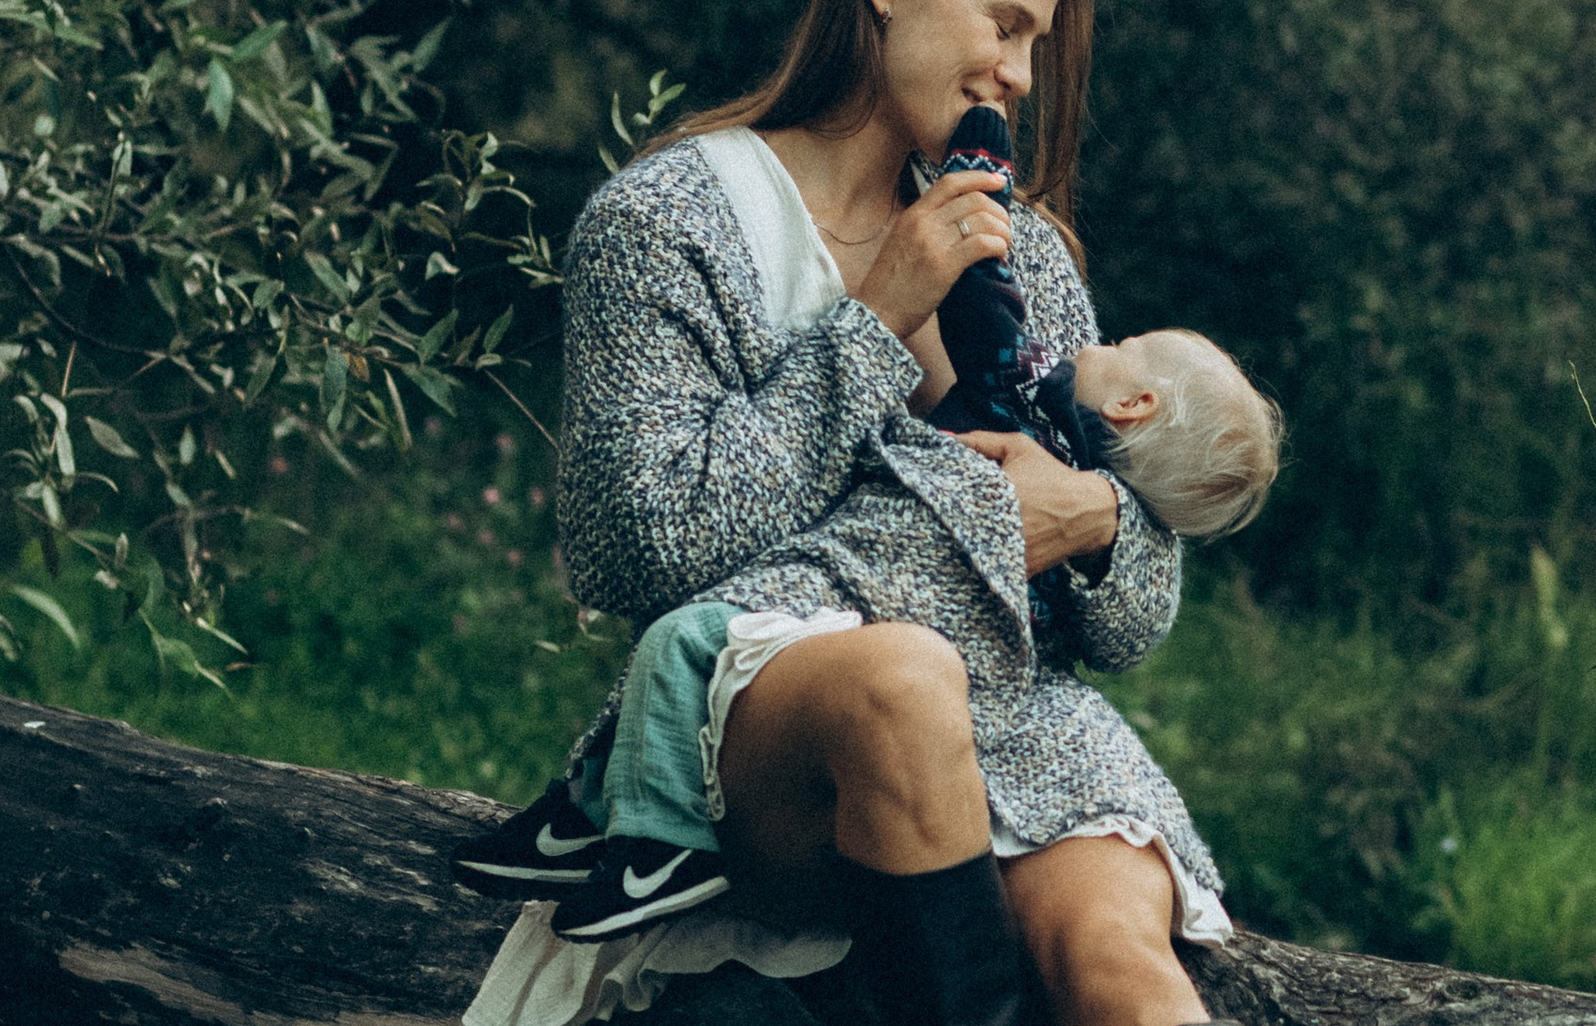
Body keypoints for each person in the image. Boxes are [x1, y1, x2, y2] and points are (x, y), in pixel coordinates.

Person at [457, 0, 1411, 1026]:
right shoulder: (669, 221)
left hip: (1009, 714)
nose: (1019, 75)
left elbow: (1130, 606)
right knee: (901, 680)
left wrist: (1095, 513)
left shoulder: (1020, 254)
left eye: (1040, 45)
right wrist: (868, 322)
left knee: (1111, 935)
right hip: (774, 696)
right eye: (1006, 22)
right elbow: (639, 546)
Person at [450, 301, 1280, 936]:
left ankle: (660, 848)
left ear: (1133, 401)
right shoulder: (1084, 484)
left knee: (685, 637)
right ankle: (585, 819)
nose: (1097, 340)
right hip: (891, 618)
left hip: (860, 600)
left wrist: (975, 182)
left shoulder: (1030, 395)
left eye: (1122, 346)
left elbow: (986, 308)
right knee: (687, 646)